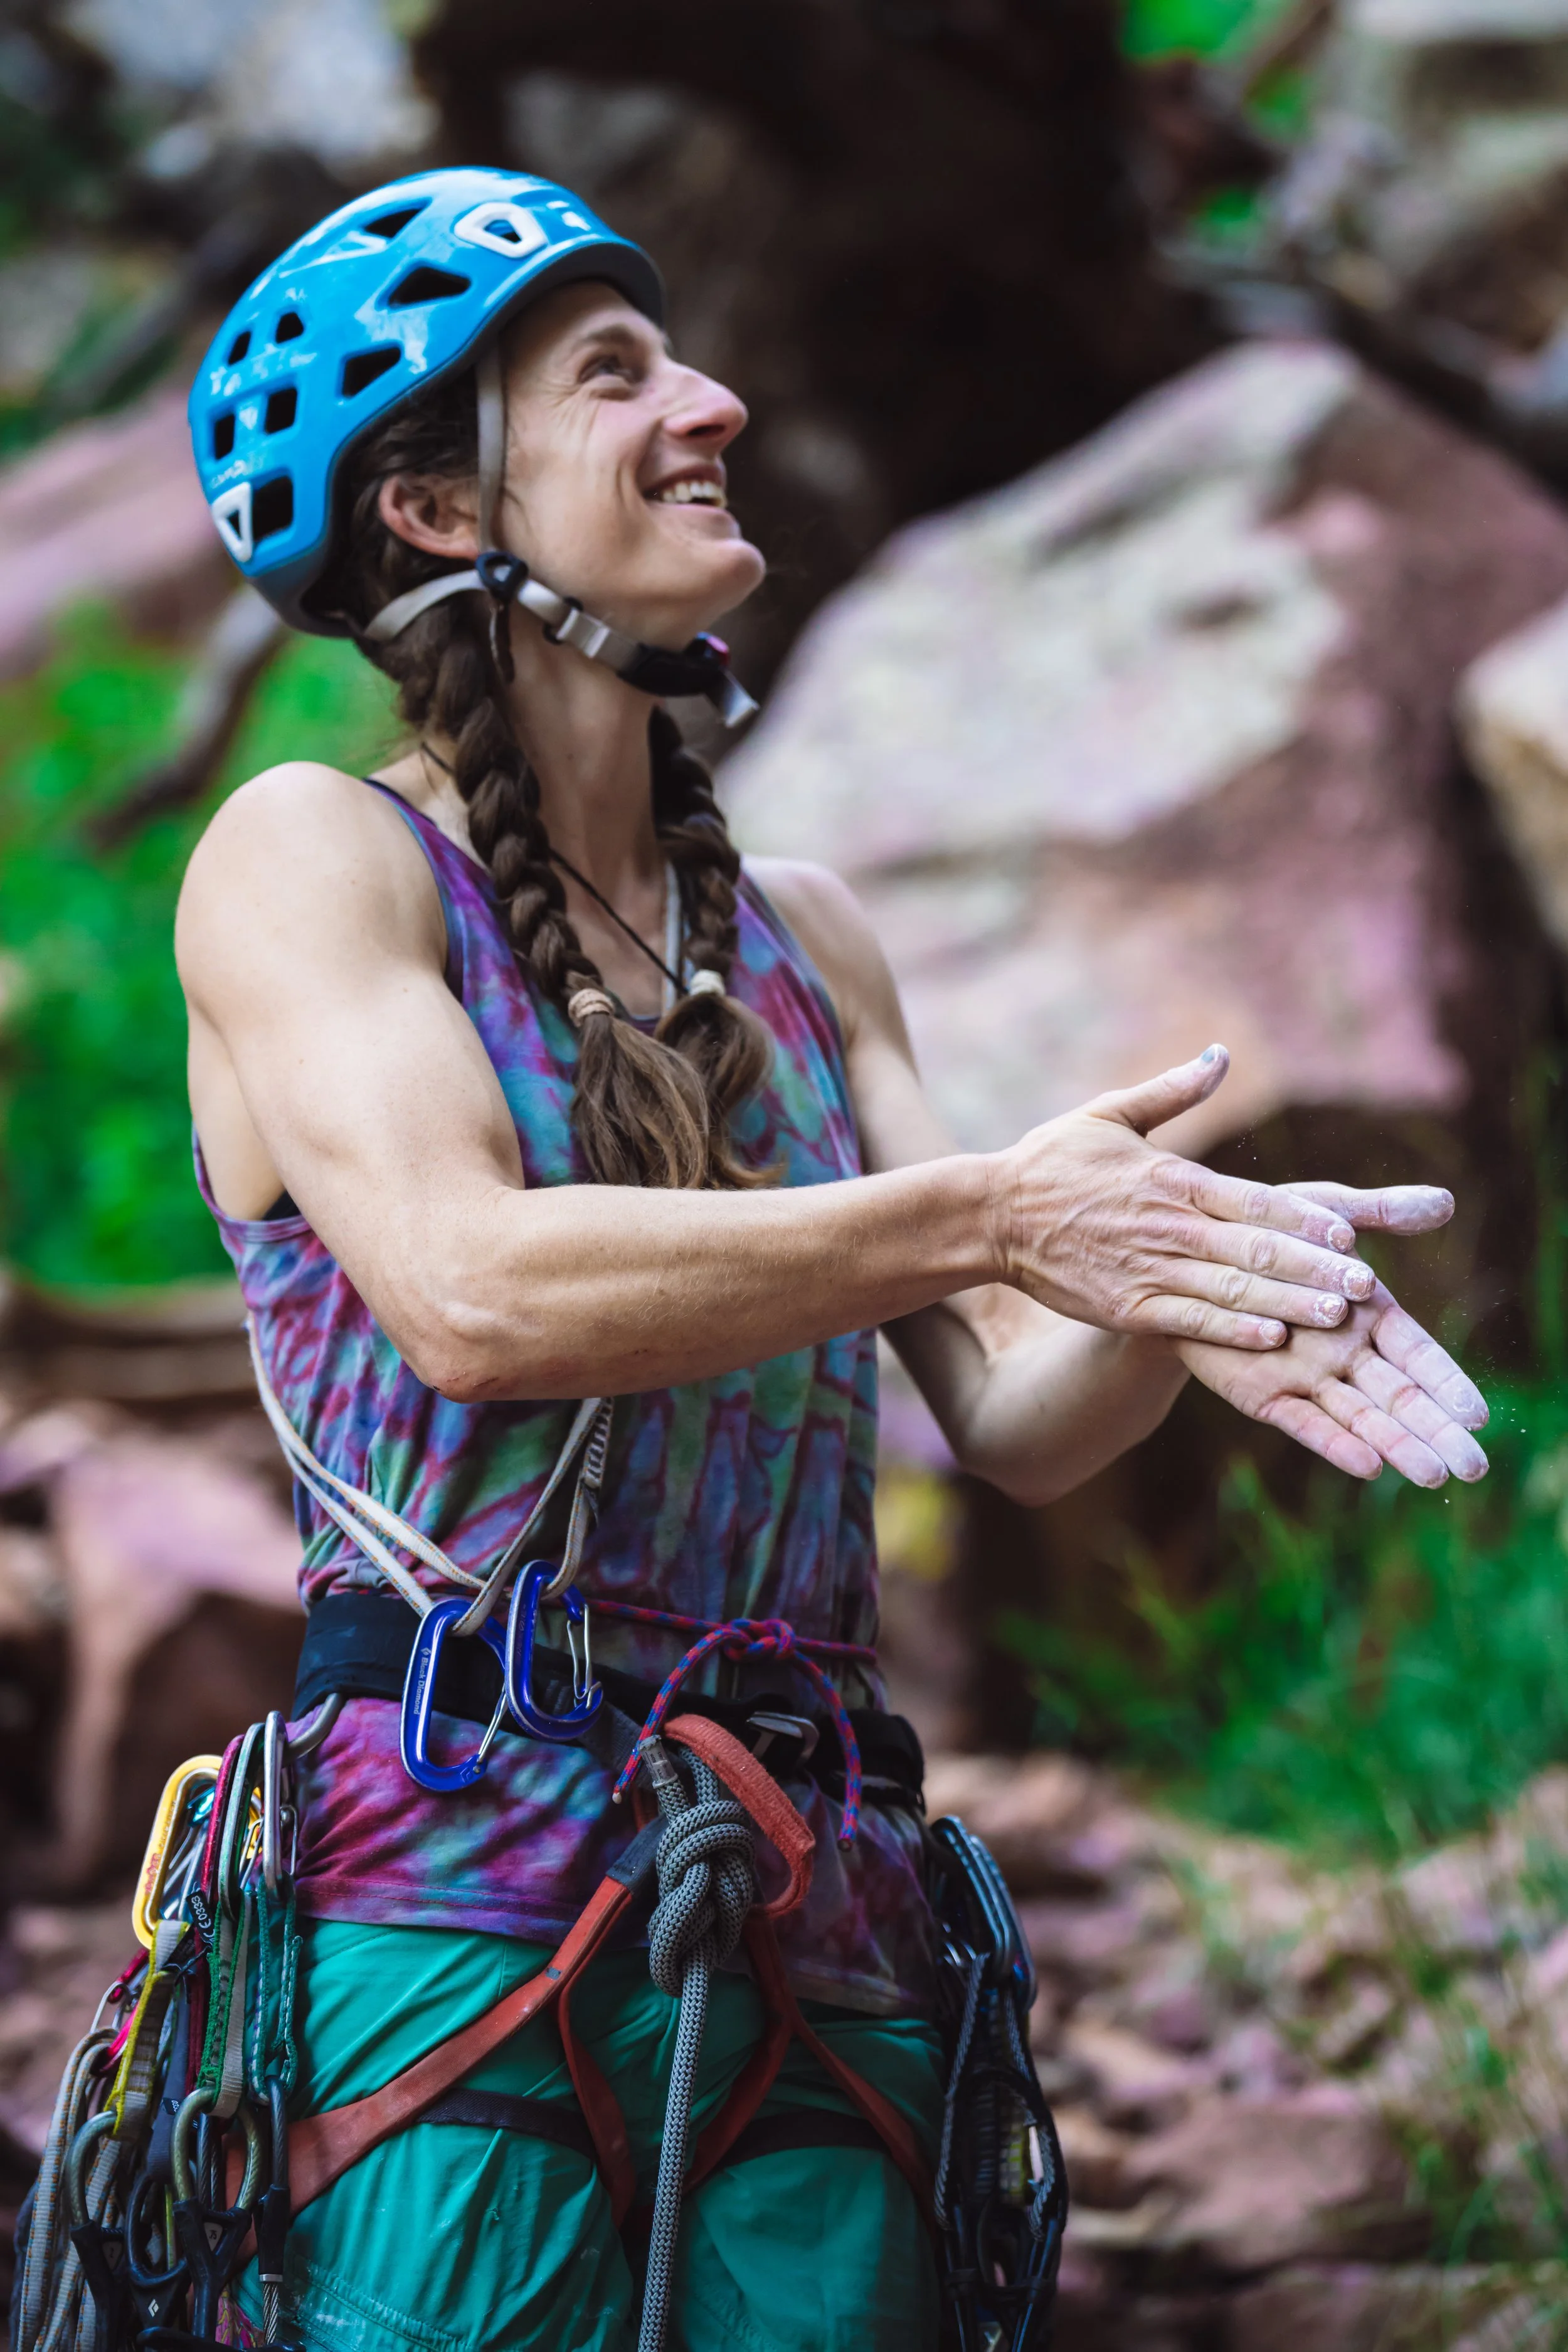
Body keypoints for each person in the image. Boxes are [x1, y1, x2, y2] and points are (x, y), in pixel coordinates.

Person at [176, 168, 1488, 2352]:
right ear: (424, 509)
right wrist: (995, 1206)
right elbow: (467, 1289)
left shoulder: (799, 934)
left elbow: (1015, 1420)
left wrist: (1171, 1277)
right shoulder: (318, 857)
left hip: (820, 1897)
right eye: (616, 375)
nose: (713, 401)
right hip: (438, 1904)